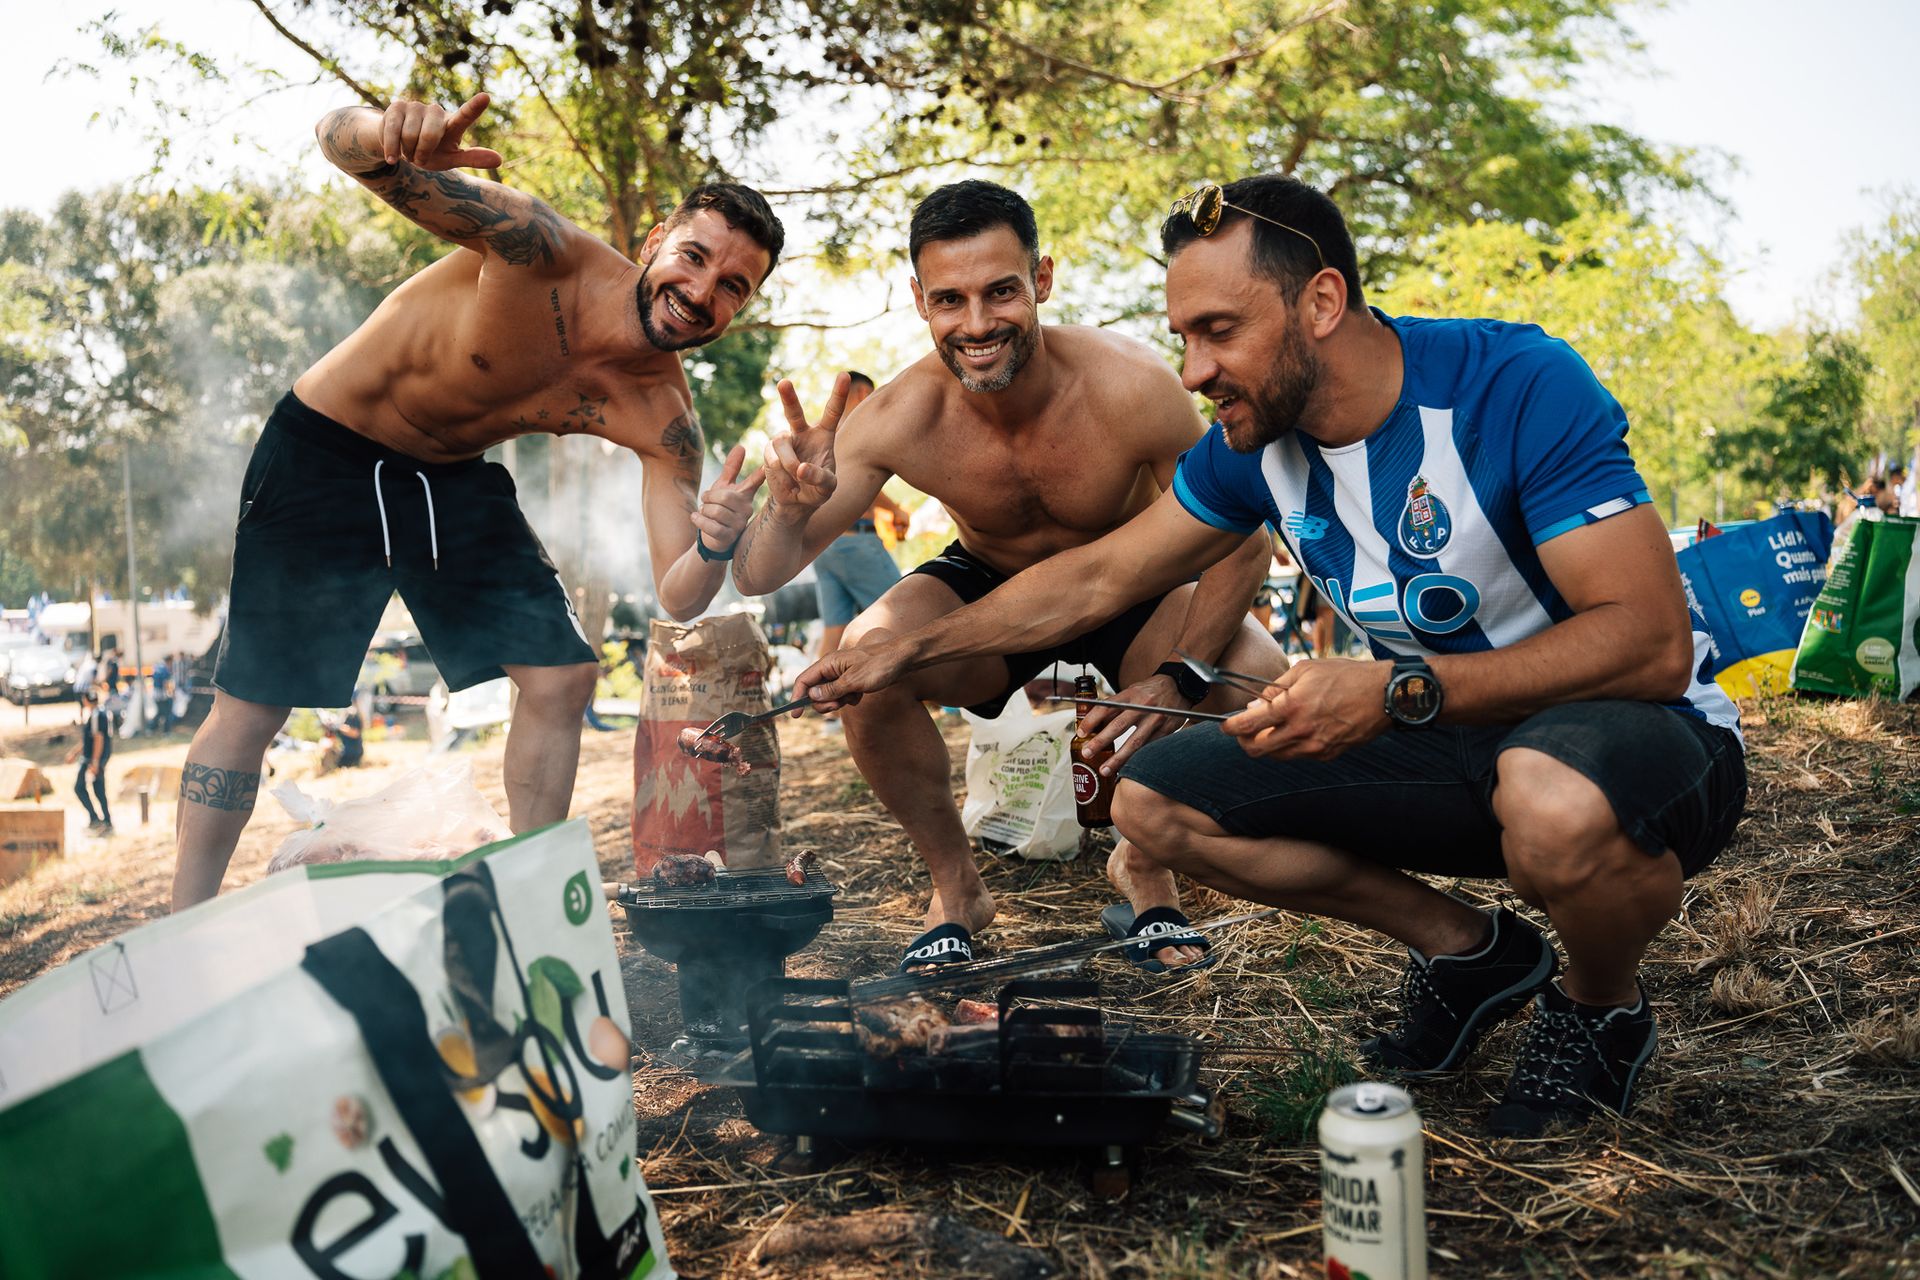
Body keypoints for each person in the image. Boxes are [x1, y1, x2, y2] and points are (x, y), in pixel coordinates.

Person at [793, 175, 1747, 1136]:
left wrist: (1397, 690)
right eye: (1184, 339)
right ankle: (1471, 954)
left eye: (1219, 331)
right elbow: (1095, 580)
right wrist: (907, 651)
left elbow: (1651, 642)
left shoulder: (1515, 384)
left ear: (1321, 304)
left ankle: (1599, 1006)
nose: (1196, 373)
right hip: (1446, 732)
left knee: (1549, 800)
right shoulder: (1254, 440)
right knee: (1153, 801)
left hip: (1634, 732)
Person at [171, 93, 786, 911]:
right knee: (254, 706)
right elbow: (337, 143)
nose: (701, 289)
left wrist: (713, 544)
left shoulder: (664, 420)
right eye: (694, 257)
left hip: (451, 477)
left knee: (564, 678)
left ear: (740, 307)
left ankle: (531, 902)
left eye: (732, 285)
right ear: (654, 244)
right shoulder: (537, 245)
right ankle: (183, 922)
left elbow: (679, 593)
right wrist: (388, 130)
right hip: (326, 449)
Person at [733, 180, 1284, 973]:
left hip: (1133, 580)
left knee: (1253, 677)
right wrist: (783, 515)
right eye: (950, 300)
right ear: (920, 301)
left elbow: (1238, 544)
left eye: (1001, 291)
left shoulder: (1130, 384)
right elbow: (759, 575)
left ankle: (1144, 866)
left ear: (1043, 281)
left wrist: (1180, 676)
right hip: (986, 587)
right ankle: (957, 888)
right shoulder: (896, 417)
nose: (978, 323)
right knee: (865, 656)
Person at [809, 372, 909, 660]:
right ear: (864, 394)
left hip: (825, 548)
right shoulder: (853, 428)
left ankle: (815, 702)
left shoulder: (823, 434)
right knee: (905, 615)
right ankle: (946, 697)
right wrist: (896, 510)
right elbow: (858, 482)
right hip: (855, 542)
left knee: (835, 631)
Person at [66, 688, 114, 835]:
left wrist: (95, 761)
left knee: (88, 788)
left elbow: (98, 739)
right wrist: (75, 753)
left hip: (93, 759)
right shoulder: (100, 713)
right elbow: (89, 739)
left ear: (86, 700)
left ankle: (102, 820)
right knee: (95, 788)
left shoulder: (96, 715)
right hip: (92, 757)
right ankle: (100, 819)